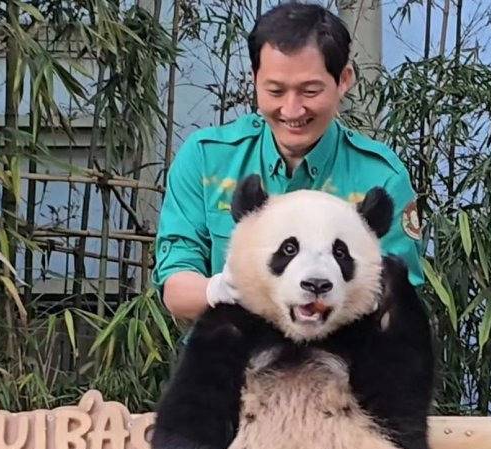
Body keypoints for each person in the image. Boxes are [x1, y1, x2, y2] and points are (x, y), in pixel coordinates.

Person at [152, 1, 425, 321]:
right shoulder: (206, 159)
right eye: (276, 91)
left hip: (344, 362)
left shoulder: (381, 178)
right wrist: (220, 290)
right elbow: (176, 289)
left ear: (344, 80)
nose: (292, 110)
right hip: (231, 360)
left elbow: (399, 305)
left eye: (310, 91)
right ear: (254, 78)